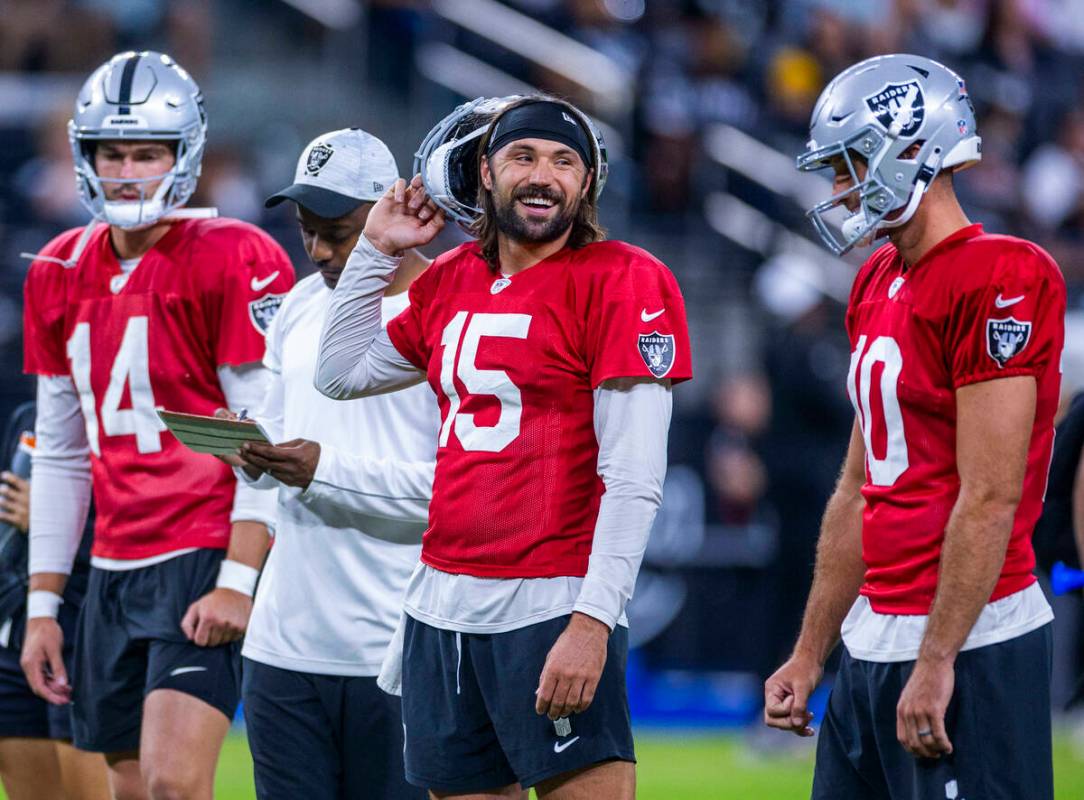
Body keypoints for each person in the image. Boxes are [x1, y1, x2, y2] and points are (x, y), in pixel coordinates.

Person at [315, 95, 693, 798]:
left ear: (588, 182)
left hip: (550, 598)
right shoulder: (453, 278)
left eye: (563, 161)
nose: (543, 176)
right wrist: (376, 248)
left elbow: (634, 478)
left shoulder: (624, 277)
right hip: (439, 602)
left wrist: (593, 621)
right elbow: (339, 373)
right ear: (485, 172)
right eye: (523, 157)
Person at [763, 54, 1064, 800]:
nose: (839, 189)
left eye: (849, 164)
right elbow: (861, 485)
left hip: (972, 638)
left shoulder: (1002, 273)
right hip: (874, 636)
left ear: (912, 150)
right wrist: (810, 653)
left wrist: (938, 658)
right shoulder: (876, 278)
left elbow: (991, 494)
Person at [20, 51, 293, 800]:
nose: (130, 170)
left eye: (149, 153)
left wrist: (238, 577)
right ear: (86, 156)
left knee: (176, 785)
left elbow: (261, 435)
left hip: (200, 549)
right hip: (110, 565)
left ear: (185, 157)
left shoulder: (233, 253)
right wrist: (45, 604)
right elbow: (63, 455)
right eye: (114, 152)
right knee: (133, 790)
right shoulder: (56, 266)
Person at [226, 128, 434, 800]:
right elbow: (282, 449)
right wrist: (249, 451)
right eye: (305, 229)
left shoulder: (452, 312)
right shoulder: (299, 305)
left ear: (390, 211)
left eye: (337, 232)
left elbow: (463, 495)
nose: (317, 251)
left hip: (399, 652)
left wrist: (323, 469)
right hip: (281, 649)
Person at [0, 403, 109, 800]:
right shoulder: (27, 416)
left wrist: (50, 522)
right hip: (17, 631)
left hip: (86, 629)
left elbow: (140, 533)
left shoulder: (119, 422)